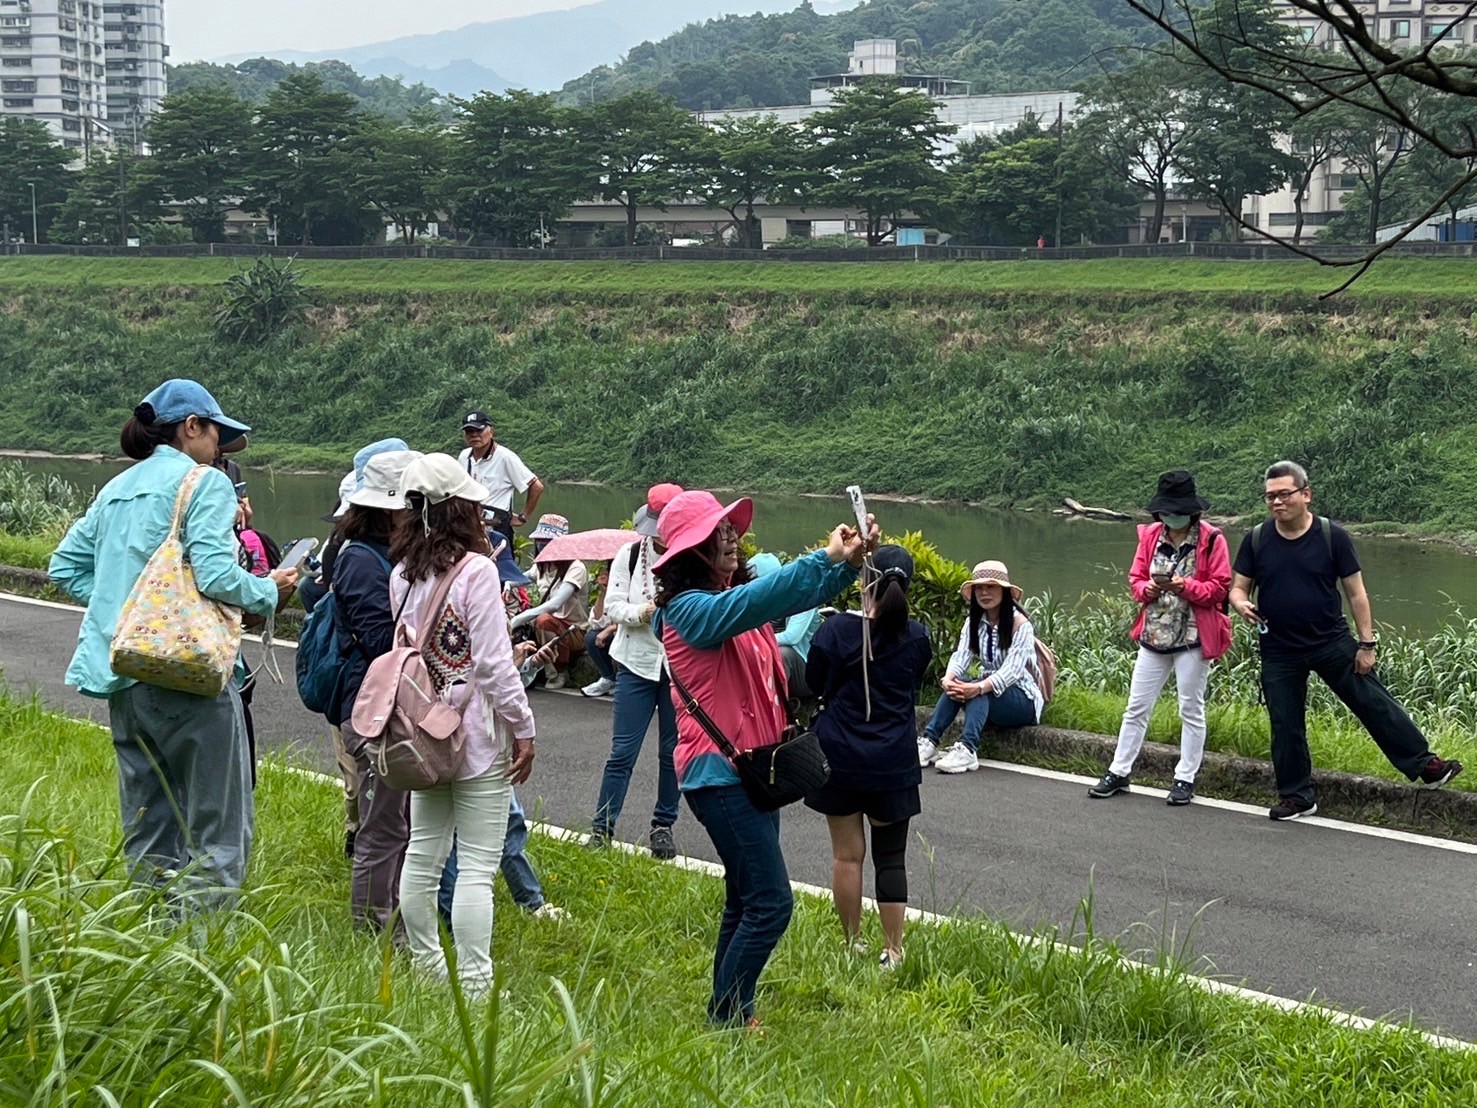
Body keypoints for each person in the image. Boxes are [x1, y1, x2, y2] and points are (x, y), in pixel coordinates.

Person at [48, 380, 297, 906]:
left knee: (148, 831)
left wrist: (128, 611)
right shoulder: (204, 483)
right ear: (191, 427)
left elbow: (63, 565)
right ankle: (200, 964)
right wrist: (268, 590)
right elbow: (215, 576)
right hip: (189, 674)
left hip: (127, 674)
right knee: (218, 836)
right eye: (216, 436)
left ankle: (149, 960)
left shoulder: (116, 488)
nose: (219, 451)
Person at [655, 490, 875, 1028]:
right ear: (690, 552)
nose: (731, 537)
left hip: (754, 769)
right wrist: (820, 559)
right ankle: (725, 1018)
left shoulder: (732, 600)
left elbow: (780, 603)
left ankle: (734, 1011)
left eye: (731, 529)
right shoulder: (689, 612)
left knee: (744, 899)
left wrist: (845, 565)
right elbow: (757, 603)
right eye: (716, 532)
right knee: (772, 904)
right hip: (720, 775)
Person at [1228, 461, 1463, 821]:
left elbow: (1357, 594)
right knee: (1284, 722)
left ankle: (1426, 765)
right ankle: (1297, 797)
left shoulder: (1330, 535)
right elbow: (1239, 587)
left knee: (1374, 702)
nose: (1276, 502)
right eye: (1270, 496)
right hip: (1279, 648)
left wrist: (1366, 644)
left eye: (1284, 494)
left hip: (1330, 641)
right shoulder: (1257, 538)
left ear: (1306, 494)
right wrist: (1241, 602)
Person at [392, 453, 537, 996]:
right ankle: (475, 987)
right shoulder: (476, 572)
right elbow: (495, 665)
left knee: (423, 853)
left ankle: (426, 973)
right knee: (476, 866)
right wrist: (523, 727)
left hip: (424, 734)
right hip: (475, 734)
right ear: (463, 509)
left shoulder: (402, 576)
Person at [804, 545, 932, 969]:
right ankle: (894, 951)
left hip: (839, 754)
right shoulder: (917, 637)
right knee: (891, 857)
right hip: (892, 760)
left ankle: (851, 944)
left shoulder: (836, 630)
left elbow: (813, 680)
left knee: (847, 855)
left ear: (863, 582)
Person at [1089, 472, 1233, 806]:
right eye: (1167, 511)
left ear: (1191, 511)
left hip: (1193, 636)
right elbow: (1135, 580)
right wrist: (1148, 589)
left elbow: (1220, 589)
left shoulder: (1211, 539)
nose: (1171, 517)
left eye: (1177, 511)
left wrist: (1186, 586)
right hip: (1154, 634)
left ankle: (1185, 778)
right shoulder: (1151, 536)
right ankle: (1119, 770)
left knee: (1190, 709)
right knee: (1136, 706)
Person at [329, 449, 422, 931]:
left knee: (396, 822)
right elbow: (380, 638)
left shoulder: (380, 555)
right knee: (383, 826)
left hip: (384, 705)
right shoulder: (362, 562)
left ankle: (396, 922)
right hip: (370, 708)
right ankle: (372, 928)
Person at [588, 483, 684, 858]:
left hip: (677, 666)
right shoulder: (629, 555)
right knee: (622, 752)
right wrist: (641, 613)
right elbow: (611, 607)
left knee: (671, 752)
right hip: (635, 663)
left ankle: (663, 824)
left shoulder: (691, 556)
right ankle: (602, 827)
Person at [917, 561, 1043, 775]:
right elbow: (962, 655)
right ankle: (929, 742)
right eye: (979, 588)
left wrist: (978, 687)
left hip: (1023, 699)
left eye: (991, 587)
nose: (984, 592)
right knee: (961, 684)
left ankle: (967, 748)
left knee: (978, 690)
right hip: (992, 694)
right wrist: (949, 678)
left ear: (1004, 591)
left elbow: (1011, 672)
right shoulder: (974, 622)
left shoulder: (1021, 625)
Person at [510, 514, 588, 690]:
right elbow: (520, 579)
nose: (542, 545)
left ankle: (557, 672)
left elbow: (554, 604)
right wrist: (506, 584)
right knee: (537, 620)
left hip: (572, 631)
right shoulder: (542, 566)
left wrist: (517, 620)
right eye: (540, 540)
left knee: (543, 620)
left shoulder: (576, 567)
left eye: (548, 541)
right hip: (548, 628)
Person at [457, 410, 543, 548]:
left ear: (491, 431)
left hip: (495, 525)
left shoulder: (504, 457)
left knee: (498, 564)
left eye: (479, 430)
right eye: (469, 431)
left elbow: (536, 486)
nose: (474, 435)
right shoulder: (464, 456)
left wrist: (523, 517)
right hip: (469, 522)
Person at [748, 553, 822, 699]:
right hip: (775, 663)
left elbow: (791, 637)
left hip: (807, 673)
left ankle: (777, 709)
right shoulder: (763, 601)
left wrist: (757, 643)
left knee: (783, 654)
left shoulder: (804, 595)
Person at [582, 564, 618, 698]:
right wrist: (603, 592)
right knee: (592, 637)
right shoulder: (613, 589)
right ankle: (609, 678)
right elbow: (597, 622)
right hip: (616, 632)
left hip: (635, 631)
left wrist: (612, 628)